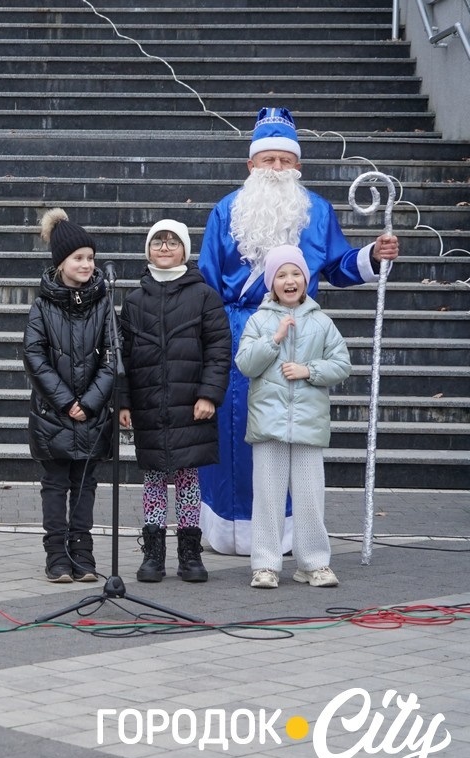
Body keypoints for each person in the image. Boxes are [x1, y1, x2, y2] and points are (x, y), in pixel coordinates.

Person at [197, 107, 399, 556]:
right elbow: (207, 280)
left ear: (298, 167)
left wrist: (373, 254)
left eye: (285, 161)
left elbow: (339, 266)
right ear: (251, 165)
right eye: (267, 160)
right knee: (231, 434)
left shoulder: (317, 211)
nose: (276, 169)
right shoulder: (226, 210)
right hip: (237, 332)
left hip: (299, 335)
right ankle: (224, 525)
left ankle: (287, 536)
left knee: (288, 432)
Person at [118, 220, 231, 583]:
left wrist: (208, 395)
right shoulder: (134, 300)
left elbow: (218, 350)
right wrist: (123, 403)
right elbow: (122, 355)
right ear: (148, 250)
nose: (164, 248)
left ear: (185, 249)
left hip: (189, 404)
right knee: (153, 480)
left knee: (187, 479)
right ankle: (153, 554)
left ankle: (189, 553)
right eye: (157, 242)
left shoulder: (204, 296)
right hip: (149, 402)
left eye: (172, 242)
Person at [235, 245, 351, 589]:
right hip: (268, 424)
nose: (290, 280)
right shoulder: (258, 320)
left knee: (310, 497)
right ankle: (266, 565)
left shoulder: (321, 322)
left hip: (308, 424)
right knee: (268, 497)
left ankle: (314, 564)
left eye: (296, 273)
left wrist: (308, 370)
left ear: (306, 278)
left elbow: (342, 364)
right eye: (281, 275)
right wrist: (274, 340)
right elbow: (245, 364)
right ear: (271, 283)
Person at [23, 210, 114, 583]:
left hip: (91, 415)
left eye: (90, 258)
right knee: (56, 484)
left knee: (85, 485)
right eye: (78, 258)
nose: (87, 264)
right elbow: (34, 356)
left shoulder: (104, 303)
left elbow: (112, 358)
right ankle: (56, 554)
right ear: (61, 262)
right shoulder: (43, 306)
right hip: (53, 415)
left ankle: (83, 552)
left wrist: (90, 402)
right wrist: (66, 402)